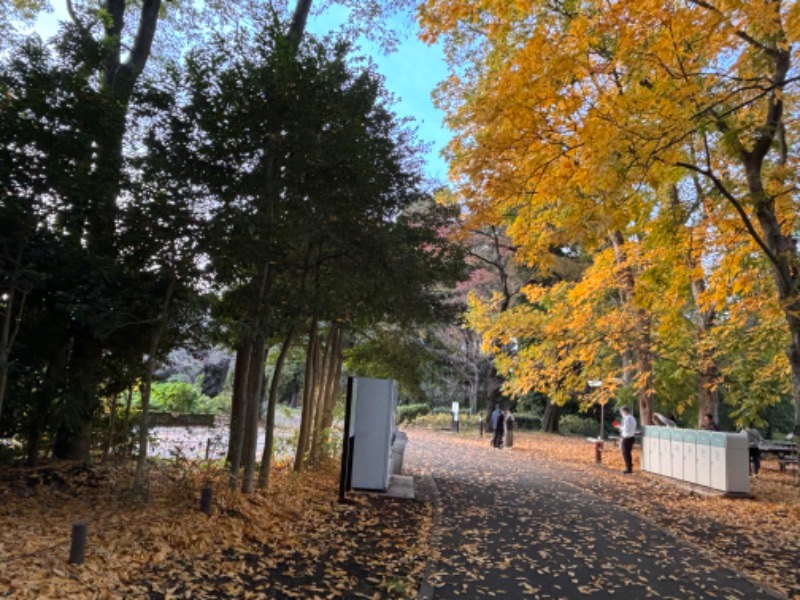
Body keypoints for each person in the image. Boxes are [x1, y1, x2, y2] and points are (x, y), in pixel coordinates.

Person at [617, 406, 637, 474]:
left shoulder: (627, 418)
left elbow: (626, 429)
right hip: (631, 437)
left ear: (625, 411)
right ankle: (629, 466)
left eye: (621, 412)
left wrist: (620, 427)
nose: (621, 414)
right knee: (628, 453)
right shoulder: (632, 418)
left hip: (627, 438)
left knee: (625, 453)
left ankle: (628, 468)